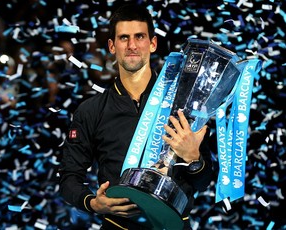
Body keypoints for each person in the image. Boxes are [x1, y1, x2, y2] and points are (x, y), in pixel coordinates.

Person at [59, 4, 214, 230]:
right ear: (112, 46)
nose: (132, 46)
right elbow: (69, 177)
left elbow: (204, 180)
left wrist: (193, 158)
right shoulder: (91, 110)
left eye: (139, 37)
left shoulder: (183, 104)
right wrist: (93, 203)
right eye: (124, 38)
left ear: (153, 43)